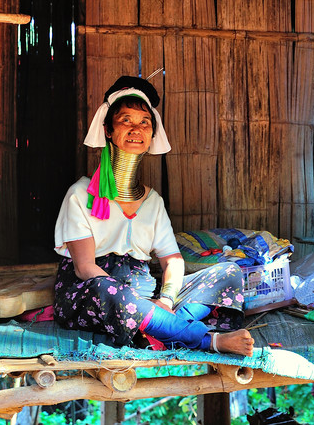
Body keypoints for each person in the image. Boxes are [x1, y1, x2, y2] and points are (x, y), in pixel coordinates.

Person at [52, 76, 254, 356]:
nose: (136, 129)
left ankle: (156, 326)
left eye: (144, 122)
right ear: (108, 130)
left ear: (152, 134)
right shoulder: (79, 194)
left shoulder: (153, 202)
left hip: (146, 298)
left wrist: (166, 300)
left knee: (228, 273)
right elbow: (84, 268)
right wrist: (134, 301)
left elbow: (172, 260)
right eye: (126, 120)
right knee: (110, 290)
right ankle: (206, 340)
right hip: (92, 295)